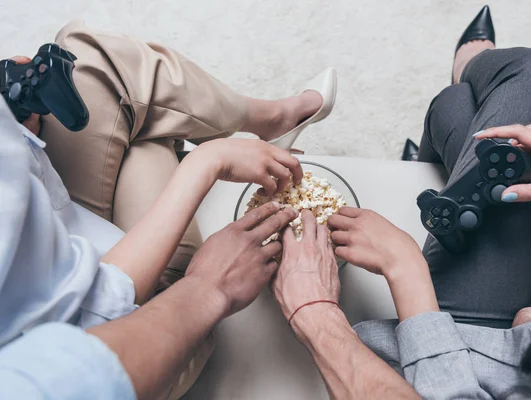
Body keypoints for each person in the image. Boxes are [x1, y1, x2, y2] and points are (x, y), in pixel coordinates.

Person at [268, 6, 531, 399]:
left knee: (464, 103)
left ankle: (455, 107)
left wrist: (404, 270)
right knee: (530, 85)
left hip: (475, 364)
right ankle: (443, 155)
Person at [0, 22, 336, 400]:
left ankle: (273, 118)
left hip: (53, 214)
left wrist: (12, 123)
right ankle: (234, 130)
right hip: (126, 325)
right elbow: (98, 318)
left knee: (90, 59)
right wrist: (207, 164)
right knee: (152, 131)